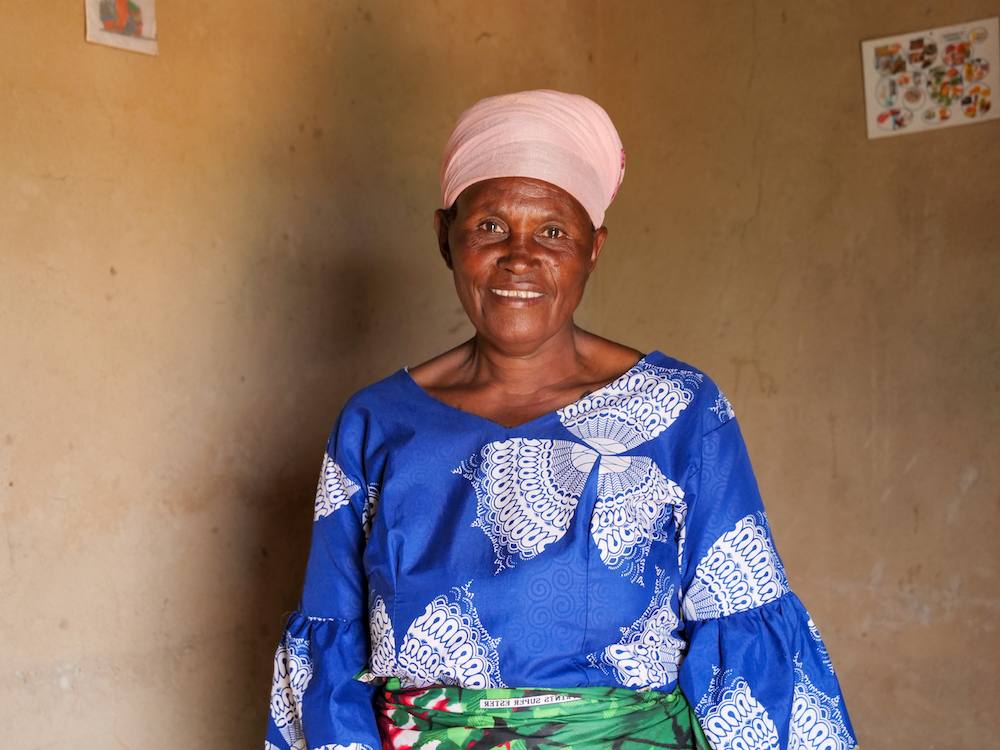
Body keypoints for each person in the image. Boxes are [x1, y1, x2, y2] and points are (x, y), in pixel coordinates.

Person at [265, 90, 857, 750]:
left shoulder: (679, 411)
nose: (520, 257)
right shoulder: (376, 424)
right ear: (444, 236)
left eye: (553, 231)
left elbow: (747, 650)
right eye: (490, 226)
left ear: (594, 247)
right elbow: (331, 651)